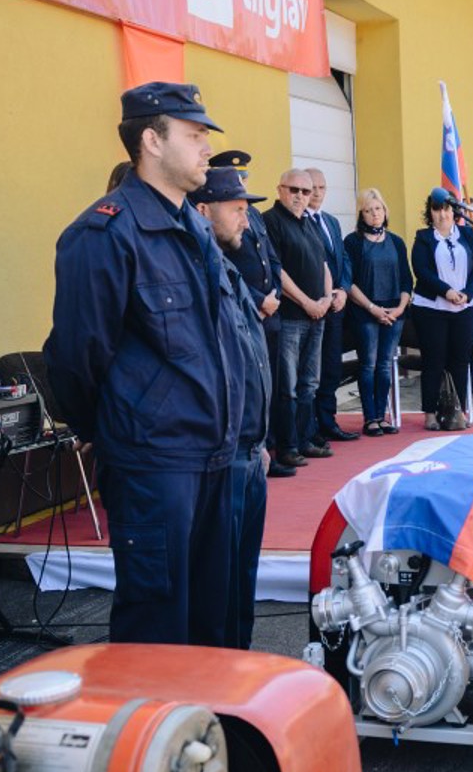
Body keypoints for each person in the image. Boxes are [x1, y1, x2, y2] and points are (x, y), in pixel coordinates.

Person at [44, 82, 248, 646]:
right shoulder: (104, 234)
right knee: (156, 625)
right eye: (195, 135)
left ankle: (204, 734)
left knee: (211, 622)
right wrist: (104, 429)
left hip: (213, 452)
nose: (207, 148)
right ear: (151, 142)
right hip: (155, 462)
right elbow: (77, 356)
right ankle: (149, 735)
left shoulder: (192, 228)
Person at [189, 167, 271, 649]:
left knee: (242, 577)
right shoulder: (197, 272)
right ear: (204, 211)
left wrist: (263, 440)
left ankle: (239, 671)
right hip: (222, 454)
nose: (247, 220)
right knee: (216, 586)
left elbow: (249, 358)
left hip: (250, 451)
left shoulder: (227, 267)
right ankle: (218, 681)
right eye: (237, 209)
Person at [209, 150, 292, 478]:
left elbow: (271, 257)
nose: (241, 182)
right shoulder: (218, 223)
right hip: (248, 308)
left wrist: (274, 296)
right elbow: (231, 268)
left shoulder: (253, 215)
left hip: (268, 311)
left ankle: (266, 447)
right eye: (234, 177)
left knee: (267, 382)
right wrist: (256, 299)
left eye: (243, 177)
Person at [264, 169, 333, 467]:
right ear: (280, 189)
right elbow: (276, 270)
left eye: (306, 192)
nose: (300, 197)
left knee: (309, 384)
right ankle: (288, 446)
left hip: (317, 315)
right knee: (288, 387)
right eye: (294, 190)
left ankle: (306, 439)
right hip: (292, 317)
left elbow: (323, 264)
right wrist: (307, 303)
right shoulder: (271, 221)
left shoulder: (309, 222)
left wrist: (327, 299)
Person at [411, 189, 473, 430]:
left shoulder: (467, 234)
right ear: (430, 212)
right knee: (434, 359)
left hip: (465, 307)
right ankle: (430, 413)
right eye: (436, 209)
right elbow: (422, 271)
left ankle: (457, 411)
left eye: (446, 208)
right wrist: (447, 292)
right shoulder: (423, 238)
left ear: (455, 211)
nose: (442, 214)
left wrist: (467, 293)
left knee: (460, 360)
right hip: (432, 308)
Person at [343, 188, 412, 436]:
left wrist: (400, 308)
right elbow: (348, 282)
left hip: (395, 311)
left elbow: (406, 280)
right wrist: (372, 309)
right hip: (365, 312)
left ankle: (381, 417)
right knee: (368, 364)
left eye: (378, 208)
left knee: (384, 365)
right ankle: (369, 418)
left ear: (385, 211)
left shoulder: (396, 242)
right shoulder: (352, 242)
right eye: (369, 210)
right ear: (361, 214)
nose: (375, 214)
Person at [305, 167, 359, 444]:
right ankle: (310, 426)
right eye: (311, 187)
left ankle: (329, 422)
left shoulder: (331, 222)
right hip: (312, 308)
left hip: (337, 306)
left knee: (331, 368)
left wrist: (344, 290)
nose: (316, 193)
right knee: (310, 370)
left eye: (321, 187)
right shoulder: (298, 222)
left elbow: (344, 260)